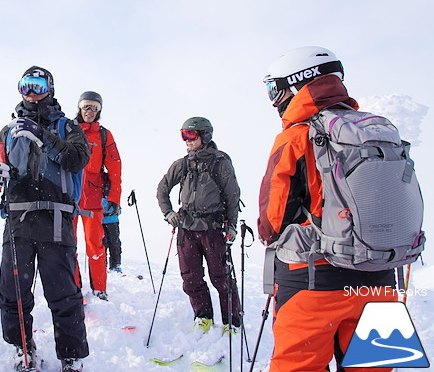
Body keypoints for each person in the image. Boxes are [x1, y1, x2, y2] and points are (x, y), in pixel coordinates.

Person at [258, 46, 396, 371]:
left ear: (296, 84)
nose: (274, 98)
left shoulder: (295, 136)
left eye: (274, 88)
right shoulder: (380, 129)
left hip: (314, 280)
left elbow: (271, 221)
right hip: (381, 277)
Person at [0, 66, 90, 372]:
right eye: (24, 85)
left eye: (37, 84)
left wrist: (43, 136)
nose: (30, 91)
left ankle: (71, 358)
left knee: (64, 294)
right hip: (17, 219)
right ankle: (22, 348)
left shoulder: (67, 127)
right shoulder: (7, 132)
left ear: (50, 88)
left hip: (56, 220)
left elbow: (77, 159)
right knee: (12, 292)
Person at [156, 117, 241, 333]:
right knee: (190, 277)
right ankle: (203, 317)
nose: (187, 140)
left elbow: (232, 195)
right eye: (183, 135)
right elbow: (162, 188)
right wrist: (168, 213)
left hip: (213, 229)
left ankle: (233, 321)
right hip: (186, 229)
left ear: (205, 136)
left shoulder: (220, 162)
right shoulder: (182, 164)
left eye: (191, 135)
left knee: (221, 277)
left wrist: (231, 225)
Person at [72, 91, 122, 299]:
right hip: (69, 197)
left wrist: (114, 199)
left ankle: (99, 289)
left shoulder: (104, 135)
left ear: (99, 110)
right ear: (79, 107)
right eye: (86, 106)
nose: (89, 111)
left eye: (94, 107)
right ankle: (72, 288)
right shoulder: (68, 130)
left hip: (93, 199)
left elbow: (115, 167)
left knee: (96, 245)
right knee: (68, 244)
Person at [101, 197, 122, 273]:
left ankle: (113, 265)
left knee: (112, 243)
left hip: (109, 218)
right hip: (108, 218)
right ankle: (112, 265)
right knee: (112, 243)